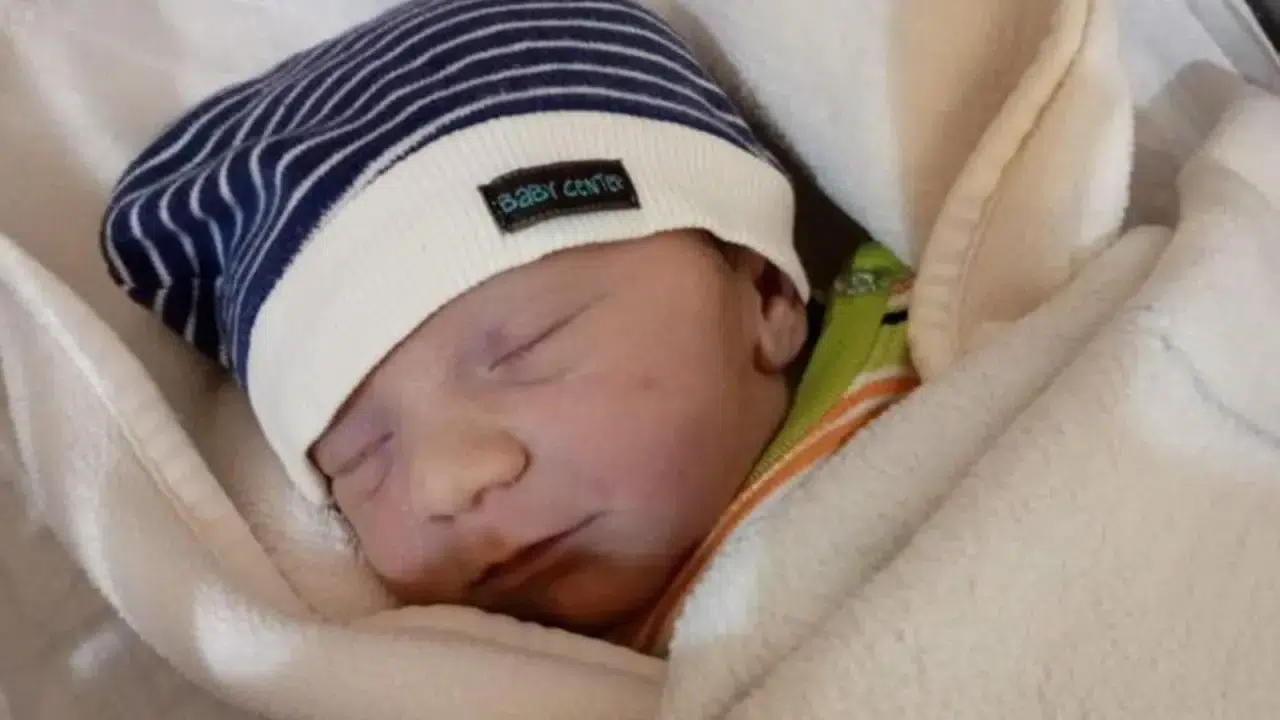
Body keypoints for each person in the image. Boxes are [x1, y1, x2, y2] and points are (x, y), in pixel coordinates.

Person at [99, 0, 915, 655]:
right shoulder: (506, 676)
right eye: (359, 460)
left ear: (765, 296)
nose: (443, 482)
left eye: (526, 348)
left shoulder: (929, 328)